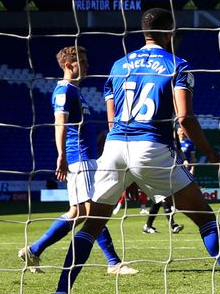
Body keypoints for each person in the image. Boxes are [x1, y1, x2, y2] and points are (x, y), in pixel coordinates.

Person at [40, 8, 220, 294]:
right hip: (150, 147)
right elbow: (184, 118)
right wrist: (211, 154)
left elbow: (113, 122)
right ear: (170, 32)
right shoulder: (177, 65)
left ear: (144, 33)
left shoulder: (118, 66)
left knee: (90, 226)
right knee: (205, 220)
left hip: (114, 149)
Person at [19, 45, 137, 277]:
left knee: (83, 211)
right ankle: (113, 262)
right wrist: (61, 155)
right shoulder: (64, 91)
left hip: (87, 157)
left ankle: (34, 250)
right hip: (78, 158)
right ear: (68, 65)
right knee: (91, 210)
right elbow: (59, 123)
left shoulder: (75, 91)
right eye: (82, 61)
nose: (87, 65)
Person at [143, 127, 192, 235]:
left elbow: (178, 149)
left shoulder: (172, 132)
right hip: (157, 169)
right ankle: (172, 225)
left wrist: (184, 159)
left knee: (158, 200)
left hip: (171, 169)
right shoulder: (155, 130)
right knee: (164, 197)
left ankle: (148, 225)